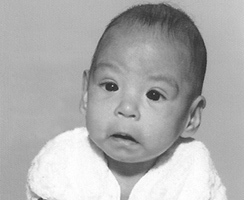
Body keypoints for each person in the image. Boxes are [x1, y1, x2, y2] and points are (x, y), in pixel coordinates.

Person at [27, 3, 227, 200]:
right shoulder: (65, 161)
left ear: (191, 117)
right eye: (111, 86)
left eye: (154, 95)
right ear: (86, 93)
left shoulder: (192, 174)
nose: (127, 108)